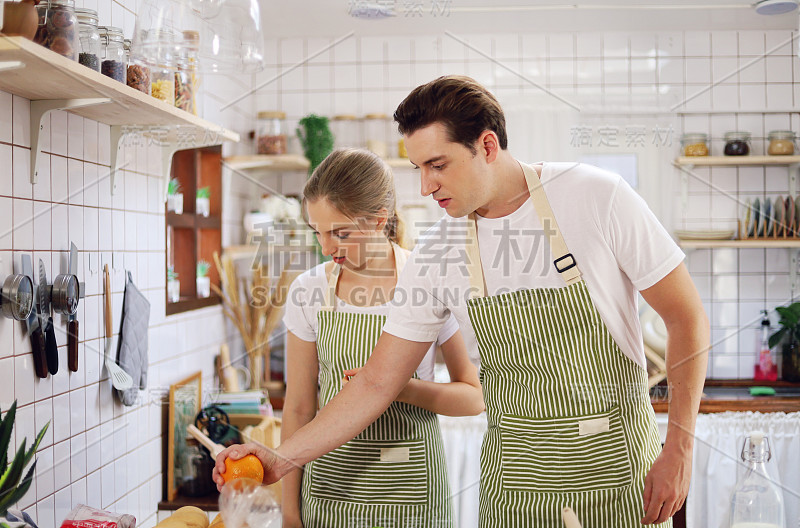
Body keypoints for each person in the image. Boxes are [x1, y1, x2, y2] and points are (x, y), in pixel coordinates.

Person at [214, 76, 709, 527]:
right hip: (514, 494)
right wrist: (279, 457)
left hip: (620, 482)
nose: (426, 185)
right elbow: (377, 384)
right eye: (417, 168)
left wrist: (679, 448)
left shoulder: (595, 196)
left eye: (438, 165)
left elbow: (686, 319)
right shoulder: (438, 252)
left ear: (486, 146)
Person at [214, 148, 484, 528]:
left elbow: (473, 397)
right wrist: (291, 514)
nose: (326, 248)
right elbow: (298, 409)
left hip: (411, 494)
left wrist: (402, 388)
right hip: (328, 493)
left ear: (379, 220)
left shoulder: (425, 282)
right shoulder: (309, 291)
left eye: (340, 233)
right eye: (318, 232)